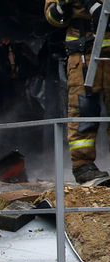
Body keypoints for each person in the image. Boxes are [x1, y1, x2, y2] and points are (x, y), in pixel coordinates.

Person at [46, 0, 110, 183]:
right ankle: (83, 167)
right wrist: (62, 6)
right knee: (83, 111)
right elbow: (53, 18)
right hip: (83, 57)